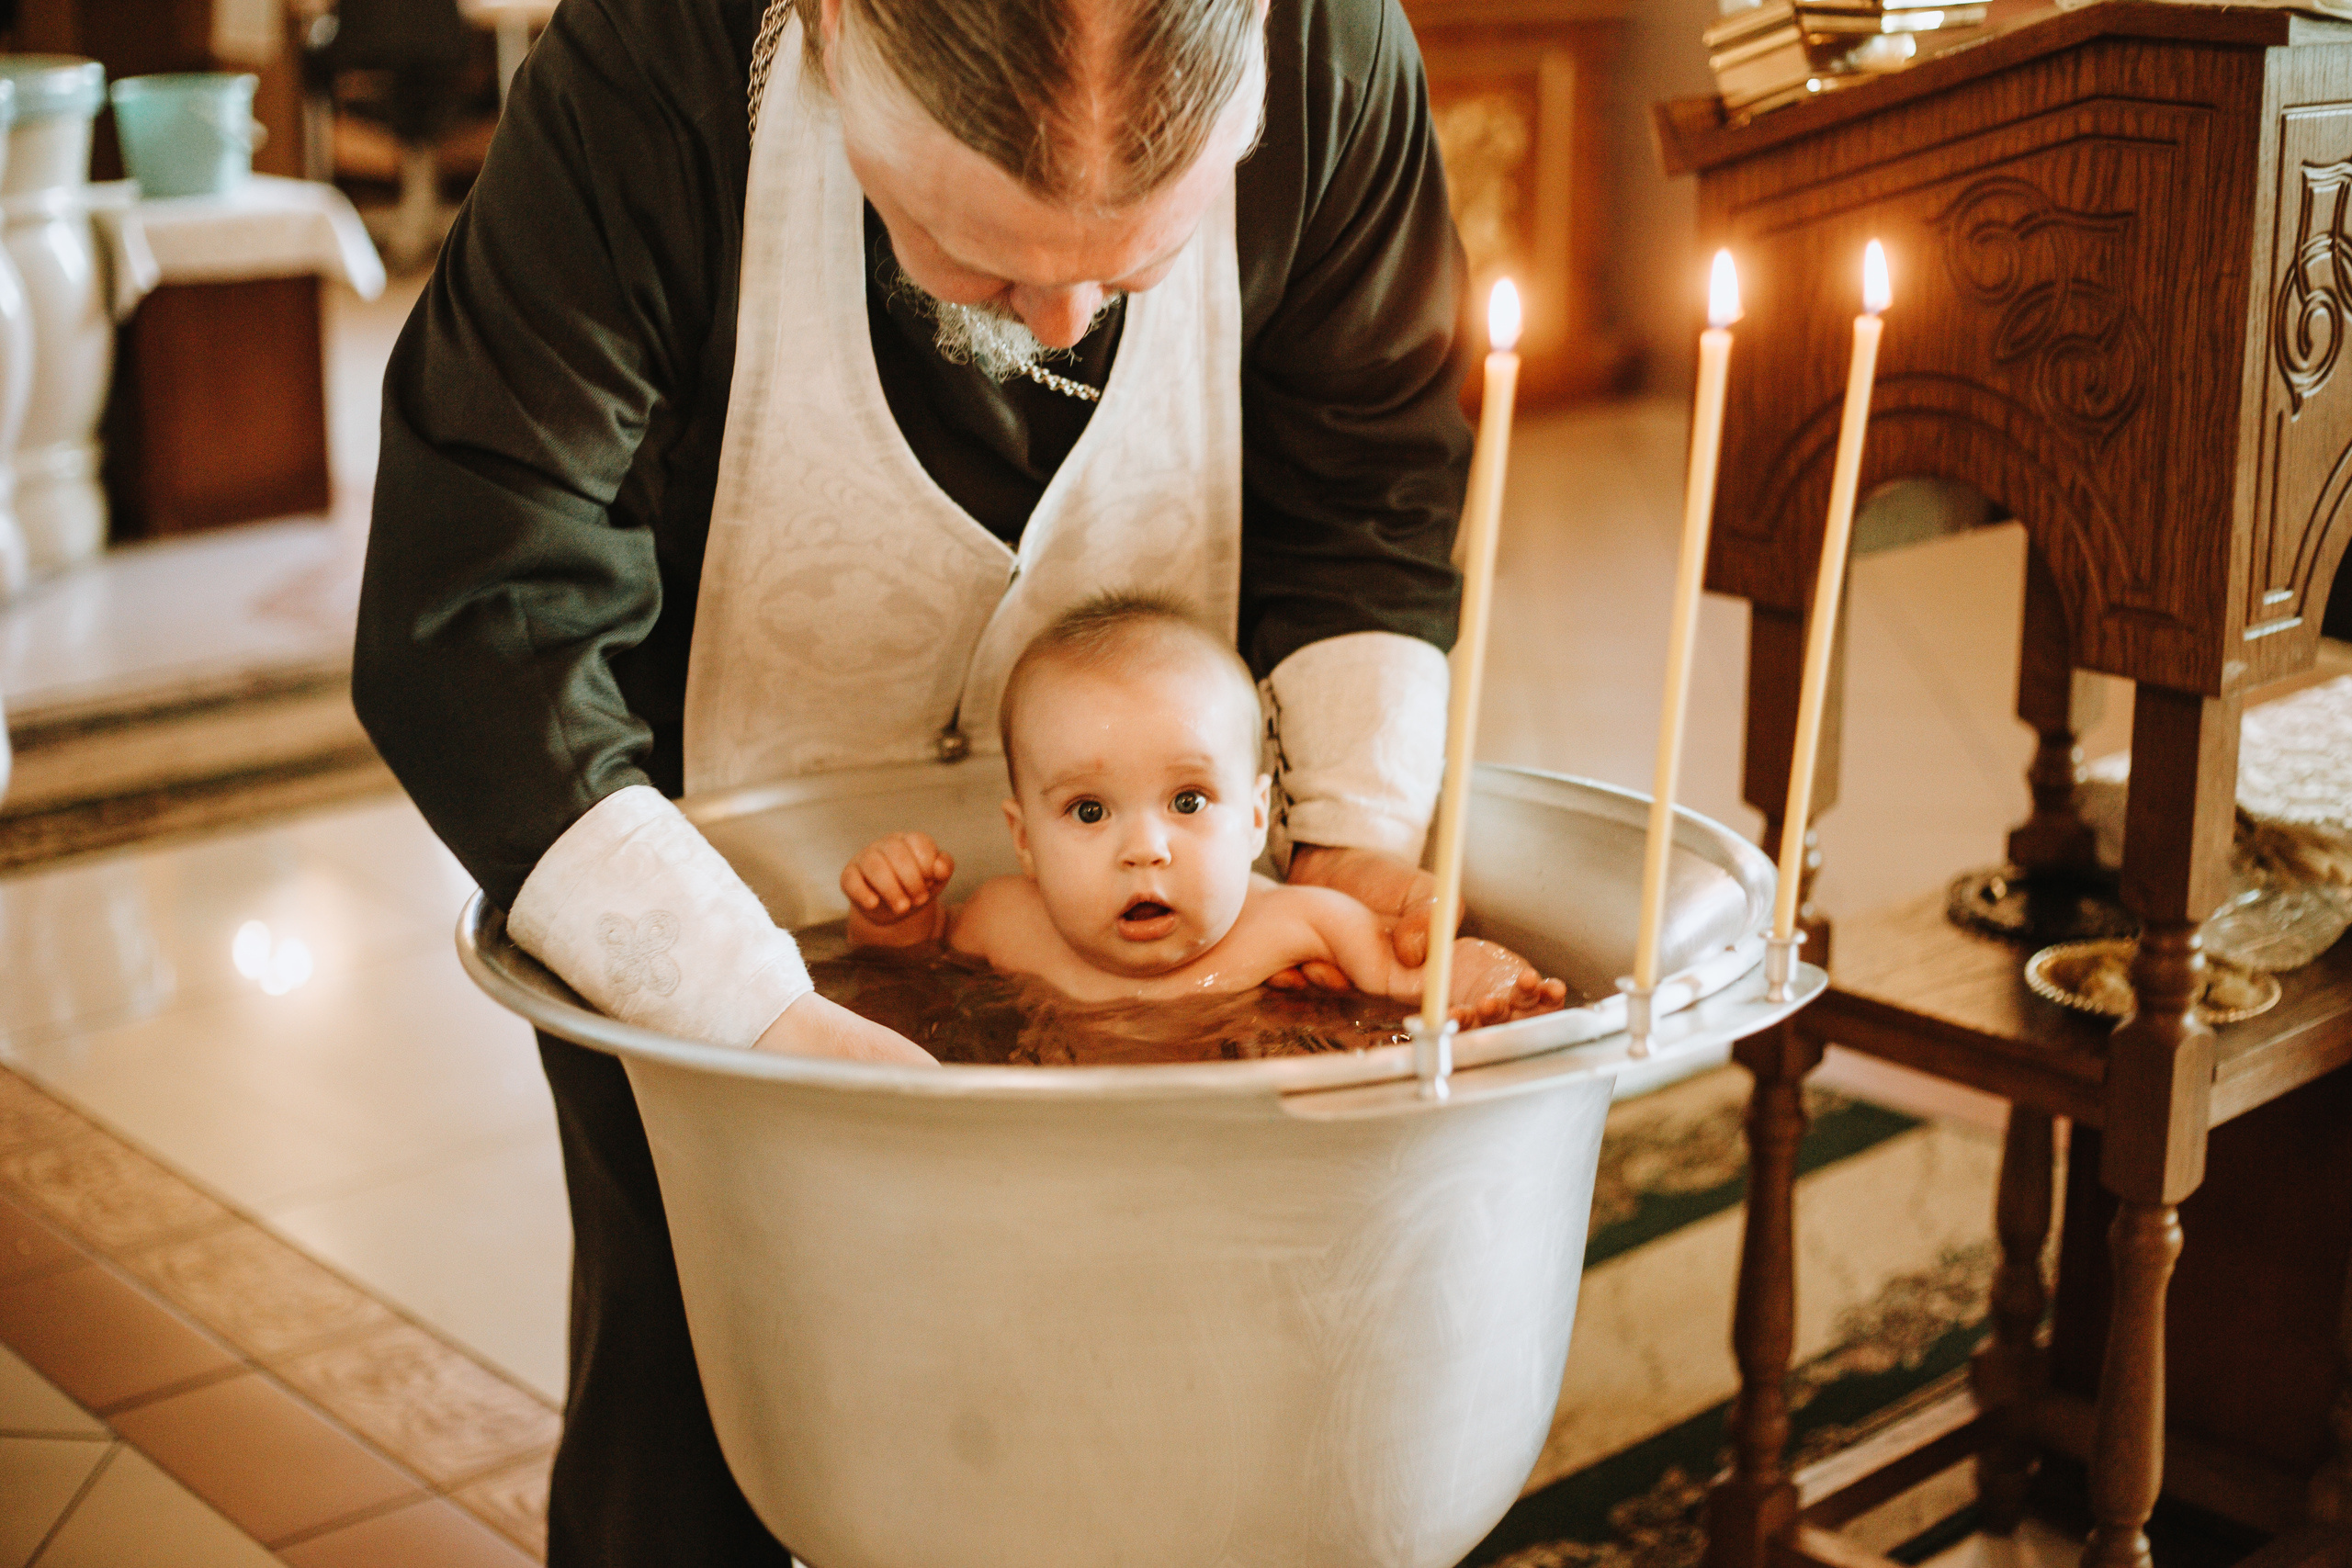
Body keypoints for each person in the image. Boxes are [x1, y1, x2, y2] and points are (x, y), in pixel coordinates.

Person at [354, 0, 1475, 1559]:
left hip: (1173, 918)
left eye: (1138, 258)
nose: (1069, 319)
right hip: (694, 897)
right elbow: (482, 606)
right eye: (981, 254)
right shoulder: (654, 74)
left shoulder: (1334, 46)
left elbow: (1371, 491)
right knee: (695, 1431)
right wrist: (746, 1017)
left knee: (1178, 1427)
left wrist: (1347, 845)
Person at [842, 595, 1567, 1021]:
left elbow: (1413, 981)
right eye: (1090, 811)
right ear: (1023, 838)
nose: (1146, 848)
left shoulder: (1300, 923)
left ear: (1258, 817)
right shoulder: (1004, 922)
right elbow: (899, 972)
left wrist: (1491, 986)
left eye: (1188, 800)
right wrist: (895, 913)